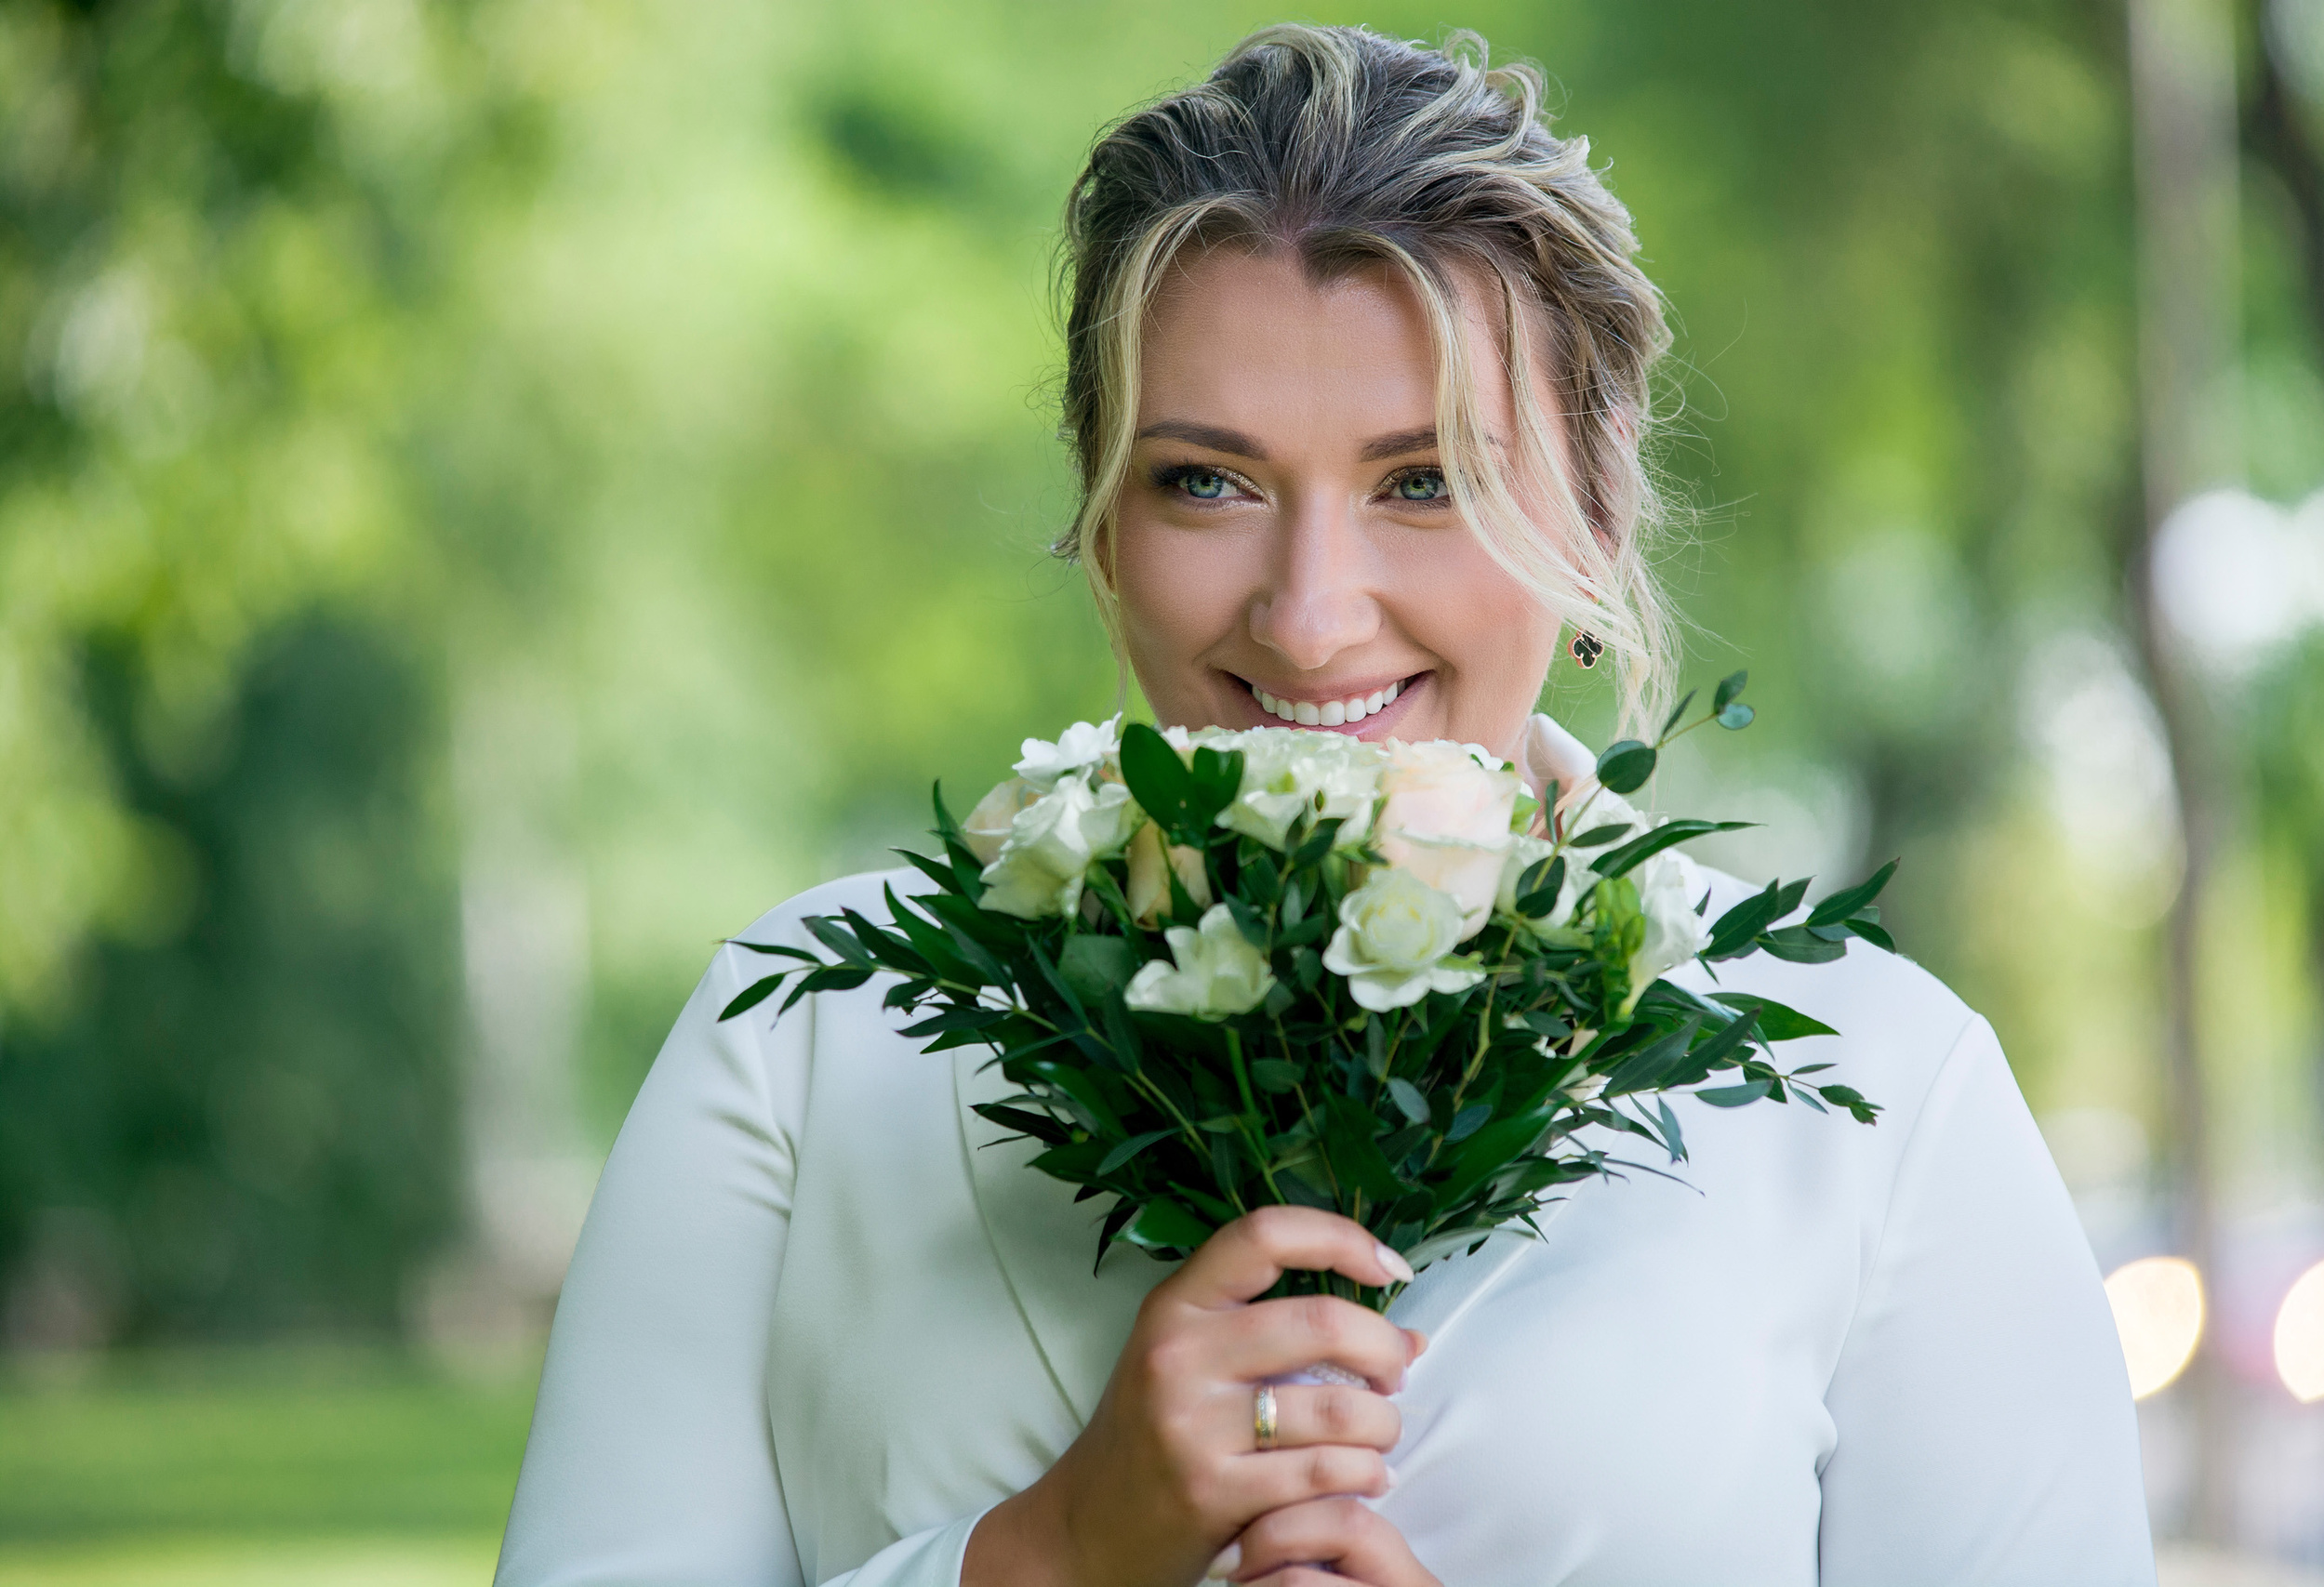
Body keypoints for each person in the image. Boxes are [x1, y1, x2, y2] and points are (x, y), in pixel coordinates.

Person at [494, 24, 2156, 1587]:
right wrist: (1051, 1555)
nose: (1309, 614)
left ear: (1594, 504)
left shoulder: (1871, 1096)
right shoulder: (804, 1043)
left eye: (1424, 482)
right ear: (1099, 515)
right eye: (1206, 481)